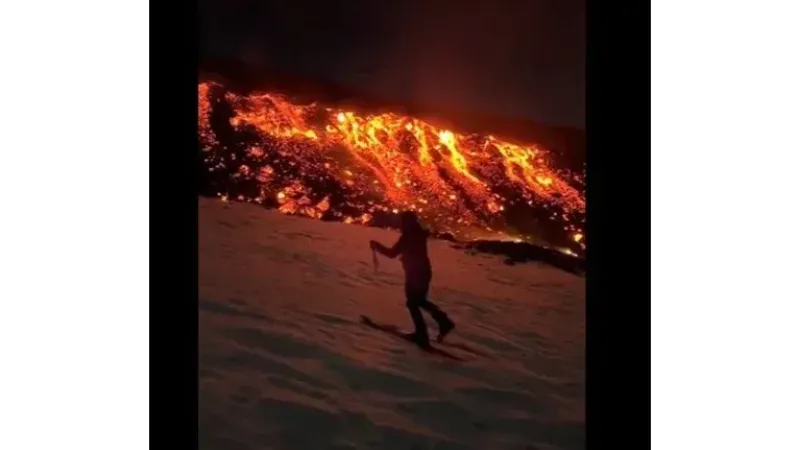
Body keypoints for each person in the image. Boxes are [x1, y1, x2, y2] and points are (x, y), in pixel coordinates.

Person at [370, 211, 455, 349]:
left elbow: (392, 254)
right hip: (424, 272)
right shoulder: (419, 235)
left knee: (412, 302)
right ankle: (443, 322)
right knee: (419, 301)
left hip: (415, 273)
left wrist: (376, 245)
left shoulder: (408, 237)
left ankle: (422, 334)